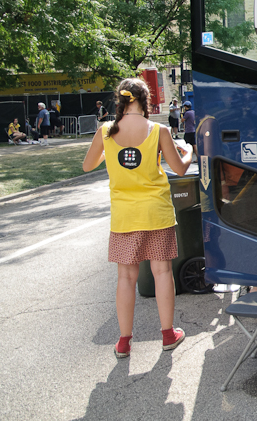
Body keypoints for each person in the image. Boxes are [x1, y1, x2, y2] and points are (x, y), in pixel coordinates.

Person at [82, 78, 193, 358]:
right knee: (162, 272)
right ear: (146, 100)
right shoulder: (159, 130)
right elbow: (180, 169)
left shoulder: (106, 131)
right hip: (156, 212)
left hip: (124, 216)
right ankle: (168, 335)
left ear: (120, 101)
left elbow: (87, 165)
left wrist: (109, 153)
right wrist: (189, 151)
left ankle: (123, 342)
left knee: (126, 277)